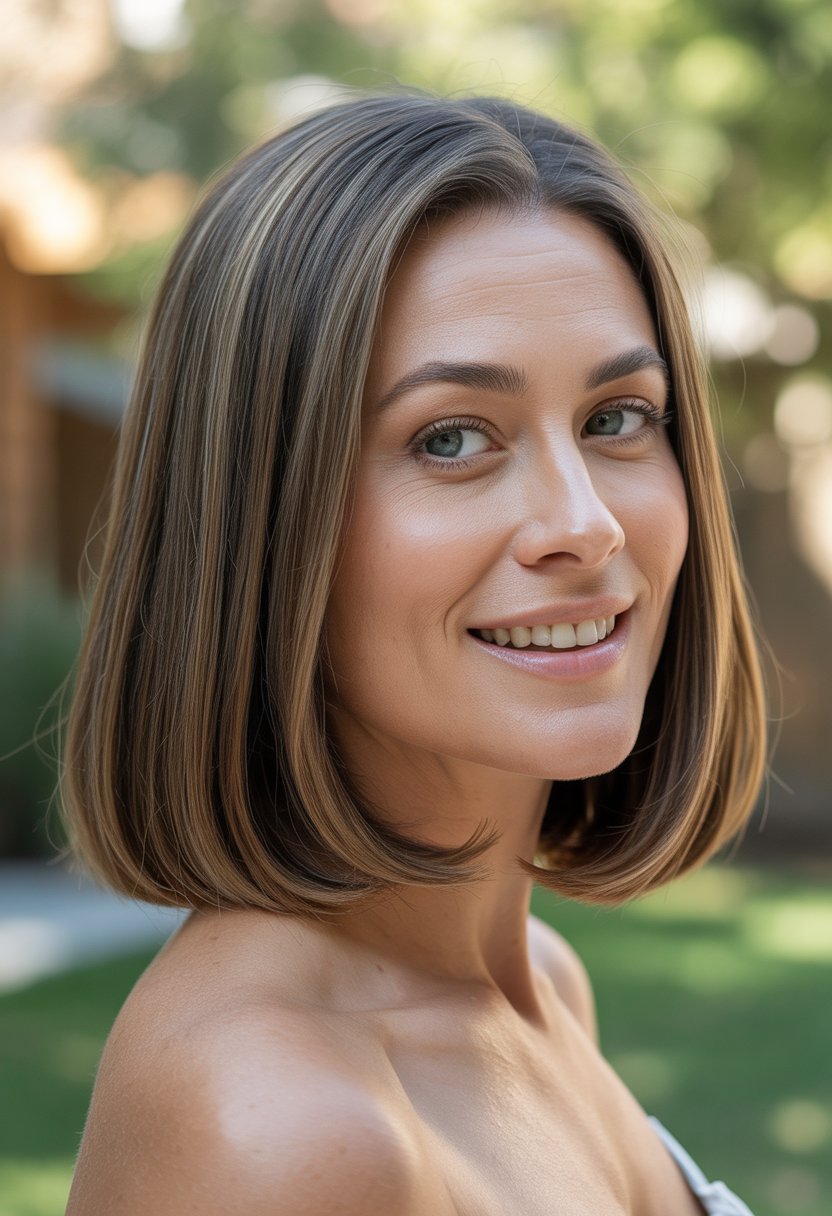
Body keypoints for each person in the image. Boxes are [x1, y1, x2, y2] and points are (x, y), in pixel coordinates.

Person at [62, 92, 765, 1215]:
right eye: (451, 438)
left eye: (617, 416)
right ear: (264, 529)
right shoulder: (288, 1134)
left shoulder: (539, 982)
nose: (584, 522)